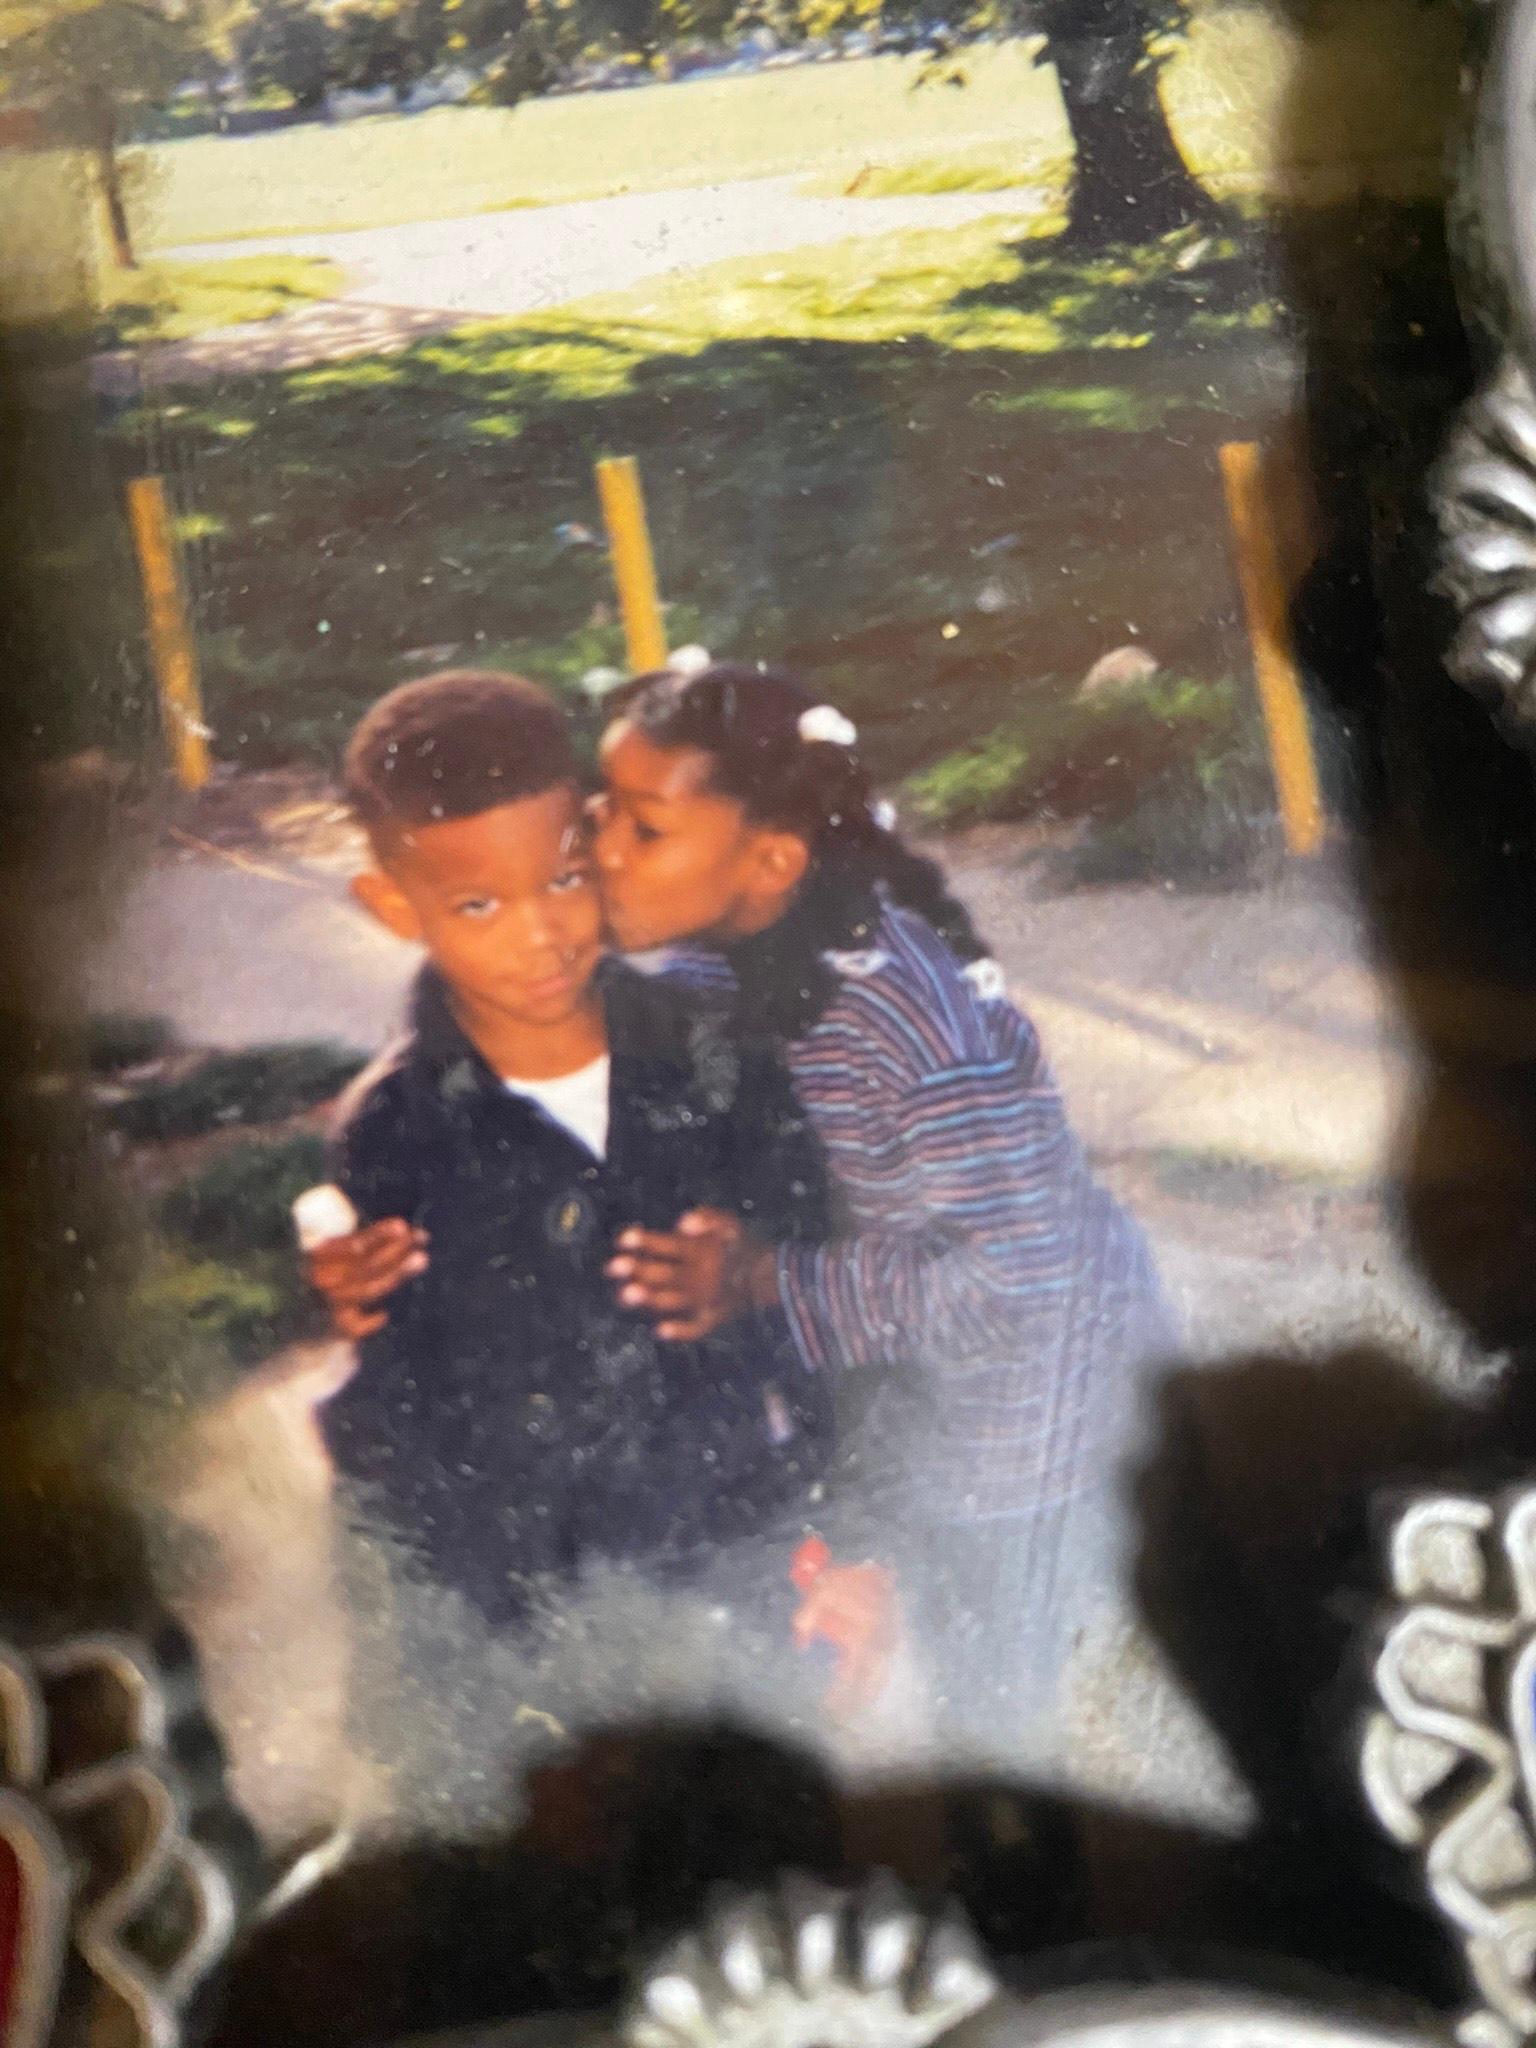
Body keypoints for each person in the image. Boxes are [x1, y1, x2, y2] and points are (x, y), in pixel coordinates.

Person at [588, 659, 1176, 1764]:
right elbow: (689, 989)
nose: (604, 849)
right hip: (943, 1409)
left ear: (771, 859)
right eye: (602, 810)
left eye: (645, 828)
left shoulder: (904, 1031)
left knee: (1000, 1714)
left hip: (1033, 1432)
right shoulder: (760, 937)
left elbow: (1015, 1277)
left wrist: (766, 1280)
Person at [304, 670, 881, 1683]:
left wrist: (866, 1543)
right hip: (532, 1627)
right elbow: (402, 1409)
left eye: (566, 879)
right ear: (393, 905)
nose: (542, 933)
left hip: (741, 1582)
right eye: (478, 903)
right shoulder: (391, 1130)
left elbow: (846, 1305)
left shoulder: (725, 1061)